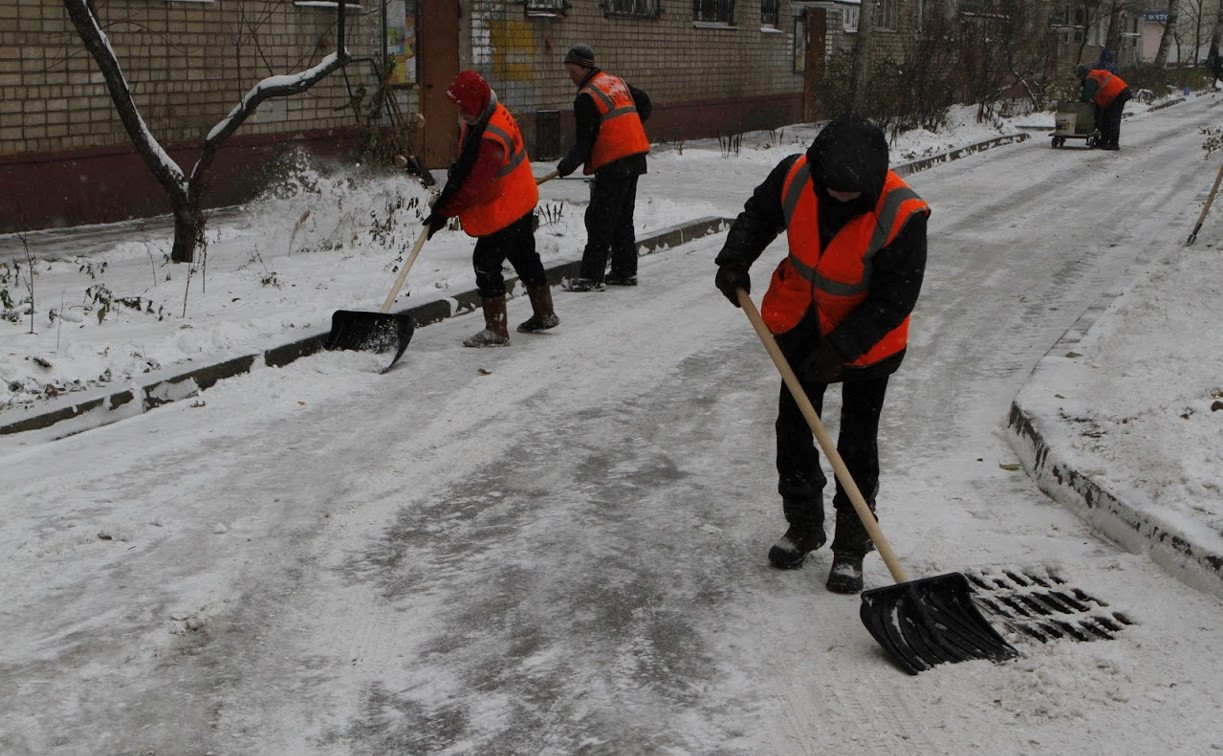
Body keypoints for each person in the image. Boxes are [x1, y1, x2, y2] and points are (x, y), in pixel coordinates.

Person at [713, 113, 929, 594]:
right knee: (793, 428)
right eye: (831, 189)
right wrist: (734, 258)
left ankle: (852, 547)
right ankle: (804, 525)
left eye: (850, 194)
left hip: (866, 341)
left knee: (855, 442)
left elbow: (896, 297)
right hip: (800, 322)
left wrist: (843, 347)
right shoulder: (796, 176)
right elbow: (759, 214)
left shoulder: (903, 213)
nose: (837, 199)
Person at [424, 70, 559, 347]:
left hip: (506, 205)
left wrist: (443, 214)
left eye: (462, 105)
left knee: (486, 262)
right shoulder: (487, 112)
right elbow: (467, 167)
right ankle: (544, 313)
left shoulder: (491, 136)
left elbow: (474, 185)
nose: (459, 111)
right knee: (524, 256)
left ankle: (496, 331)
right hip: (519, 198)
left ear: (474, 101)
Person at [555, 44, 652, 291]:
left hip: (614, 163)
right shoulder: (615, 83)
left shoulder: (587, 97)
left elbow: (584, 143)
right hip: (635, 157)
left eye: (571, 69)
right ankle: (624, 270)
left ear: (583, 66)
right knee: (622, 218)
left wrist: (565, 167)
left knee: (600, 219)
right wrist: (626, 129)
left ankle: (591, 277)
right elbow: (645, 104)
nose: (570, 75)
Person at [1076, 63, 1132, 151]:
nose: (1080, 79)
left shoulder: (1091, 78)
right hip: (1116, 94)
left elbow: (1086, 97)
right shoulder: (1095, 74)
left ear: (1083, 74)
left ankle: (1114, 144)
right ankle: (1103, 142)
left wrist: (1080, 104)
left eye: (1079, 77)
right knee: (1105, 119)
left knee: (1113, 120)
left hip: (1118, 94)